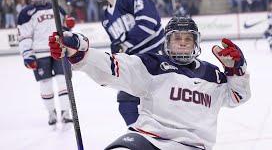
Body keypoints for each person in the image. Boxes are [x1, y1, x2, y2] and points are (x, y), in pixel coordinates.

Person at [49, 16, 251, 150]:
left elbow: (237, 97)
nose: (182, 42)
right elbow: (114, 66)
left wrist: (236, 71)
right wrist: (80, 54)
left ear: (195, 43)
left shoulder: (213, 74)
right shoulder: (153, 64)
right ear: (167, 42)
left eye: (187, 39)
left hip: (191, 146)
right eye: (177, 38)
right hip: (146, 138)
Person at [92, 0, 164, 126]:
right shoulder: (105, 17)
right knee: (126, 103)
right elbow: (116, 47)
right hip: (134, 65)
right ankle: (142, 136)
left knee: (161, 103)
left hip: (156, 58)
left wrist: (124, 43)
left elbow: (148, 24)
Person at [17, 0, 75, 127]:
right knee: (45, 84)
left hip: (59, 50)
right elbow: (24, 36)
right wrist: (27, 55)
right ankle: (51, 113)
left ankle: (65, 112)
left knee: (64, 81)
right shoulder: (25, 13)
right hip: (40, 53)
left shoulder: (57, 8)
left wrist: (68, 26)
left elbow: (65, 29)